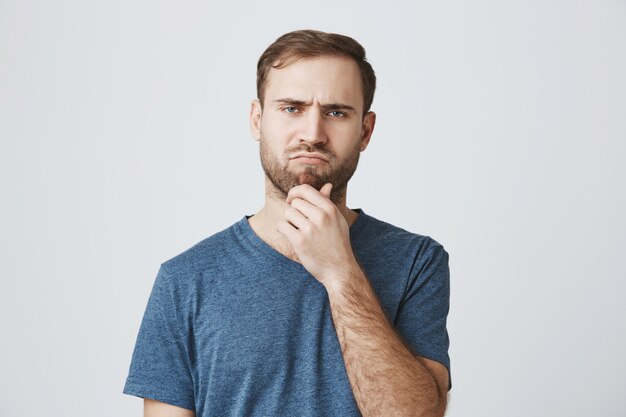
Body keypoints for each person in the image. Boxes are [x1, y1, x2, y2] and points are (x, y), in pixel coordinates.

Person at [124, 29, 451, 417]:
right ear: (257, 120)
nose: (312, 134)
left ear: (365, 131)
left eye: (336, 112)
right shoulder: (185, 279)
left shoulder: (417, 261)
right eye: (292, 108)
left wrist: (340, 272)